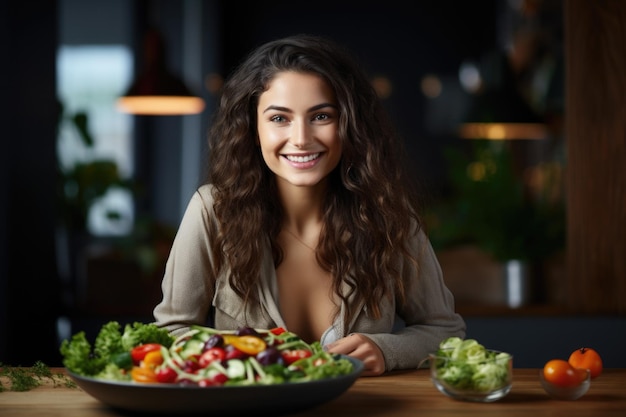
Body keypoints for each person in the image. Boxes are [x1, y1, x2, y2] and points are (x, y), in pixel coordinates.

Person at [153, 34, 465, 376]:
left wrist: (387, 349)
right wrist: (239, 352)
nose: (301, 138)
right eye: (278, 118)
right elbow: (171, 332)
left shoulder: (388, 215)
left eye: (321, 117)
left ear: (349, 124)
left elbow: (445, 331)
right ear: (252, 128)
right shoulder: (212, 211)